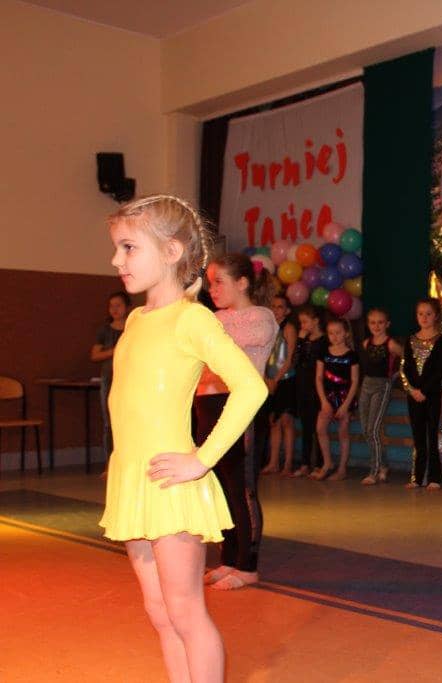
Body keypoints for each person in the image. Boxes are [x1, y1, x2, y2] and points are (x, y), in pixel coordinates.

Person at [99, 195, 267, 682]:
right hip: (135, 482)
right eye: (117, 248)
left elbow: (251, 387)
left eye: (129, 247)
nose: (116, 260)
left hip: (172, 486)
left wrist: (202, 459)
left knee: (186, 611)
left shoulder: (192, 318)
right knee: (159, 613)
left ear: (172, 251)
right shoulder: (135, 320)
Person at [194, 253, 278, 591]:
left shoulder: (260, 318)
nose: (212, 289)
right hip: (208, 405)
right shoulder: (213, 318)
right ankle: (228, 558)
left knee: (242, 487)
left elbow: (216, 349)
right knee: (220, 488)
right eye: (209, 283)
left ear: (242, 283)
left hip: (240, 408)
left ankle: (247, 565)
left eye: (219, 282)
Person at [400, 298, 442, 490]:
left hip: (434, 394)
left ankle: (436, 477)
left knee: (434, 434)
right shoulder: (410, 340)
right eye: (420, 314)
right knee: (418, 435)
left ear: (436, 316)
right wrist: (412, 389)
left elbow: (440, 370)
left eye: (428, 314)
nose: (424, 317)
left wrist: (424, 390)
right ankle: (417, 477)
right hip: (414, 395)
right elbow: (405, 368)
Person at [358, 307, 403, 485]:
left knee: (373, 429)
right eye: (372, 323)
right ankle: (383, 465)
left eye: (380, 322)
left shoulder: (390, 344)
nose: (376, 326)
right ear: (368, 324)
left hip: (382, 385)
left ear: (387, 324)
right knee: (365, 430)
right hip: (366, 385)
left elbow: (407, 357)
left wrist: (397, 375)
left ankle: (374, 471)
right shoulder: (366, 343)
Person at [313, 317, 359, 480]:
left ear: (346, 333)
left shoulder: (352, 355)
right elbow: (319, 378)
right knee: (320, 429)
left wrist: (346, 405)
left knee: (343, 432)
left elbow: (354, 381)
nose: (335, 336)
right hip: (327, 397)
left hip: (345, 398)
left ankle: (342, 468)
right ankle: (327, 463)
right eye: (331, 333)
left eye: (338, 332)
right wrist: (323, 401)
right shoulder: (323, 352)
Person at [90, 290, 130, 471]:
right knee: (109, 422)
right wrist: (115, 350)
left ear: (127, 307)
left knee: (129, 420)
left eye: (118, 305)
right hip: (109, 379)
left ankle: (128, 462)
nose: (114, 309)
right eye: (111, 306)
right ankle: (110, 465)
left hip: (130, 379)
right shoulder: (104, 330)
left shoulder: (132, 327)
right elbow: (95, 355)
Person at [262, 294, 299, 475]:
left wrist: (276, 379)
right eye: (274, 306)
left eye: (280, 307)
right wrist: (266, 378)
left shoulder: (289, 328)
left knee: (286, 422)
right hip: (270, 380)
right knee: (274, 422)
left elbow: (289, 358)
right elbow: (264, 355)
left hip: (285, 379)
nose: (276, 310)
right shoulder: (269, 328)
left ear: (287, 310)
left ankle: (288, 463)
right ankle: (274, 462)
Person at [293, 305, 328, 476]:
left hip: (317, 387)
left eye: (305, 322)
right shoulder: (304, 340)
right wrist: (300, 341)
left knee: (318, 427)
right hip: (303, 385)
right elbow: (297, 360)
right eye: (301, 322)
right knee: (306, 426)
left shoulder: (324, 341)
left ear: (316, 321)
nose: (302, 325)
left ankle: (321, 463)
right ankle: (305, 463)